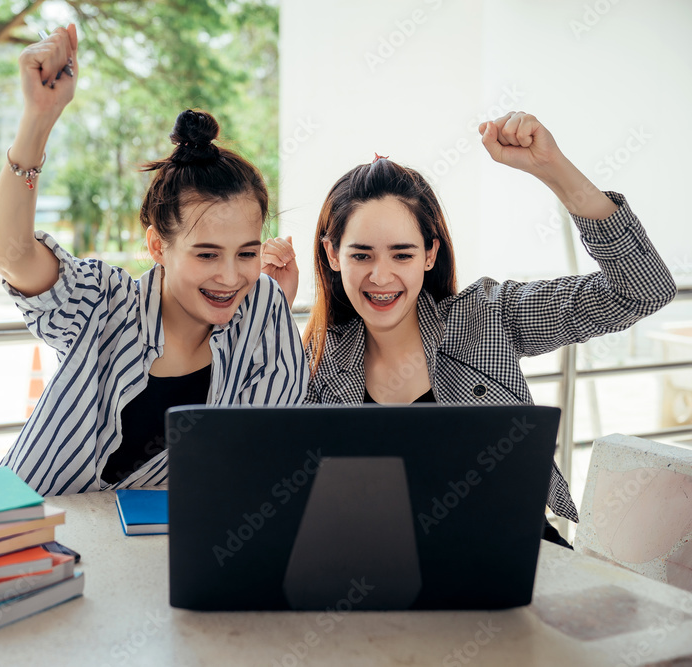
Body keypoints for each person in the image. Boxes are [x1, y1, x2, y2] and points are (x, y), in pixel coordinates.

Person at [262, 112, 676, 545]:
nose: (381, 277)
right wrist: (270, 310)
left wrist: (553, 169)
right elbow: (272, 483)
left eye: (401, 255)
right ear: (332, 254)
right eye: (362, 255)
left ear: (429, 253)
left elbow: (642, 290)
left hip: (516, 555)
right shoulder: (314, 363)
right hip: (387, 569)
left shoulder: (485, 317)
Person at [0, 25, 306, 496]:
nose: (231, 275)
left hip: (154, 557)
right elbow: (8, 254)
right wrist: (39, 117)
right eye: (206, 254)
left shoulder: (264, 309)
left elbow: (270, 464)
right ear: (158, 247)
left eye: (247, 252)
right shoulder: (103, 301)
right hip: (27, 535)